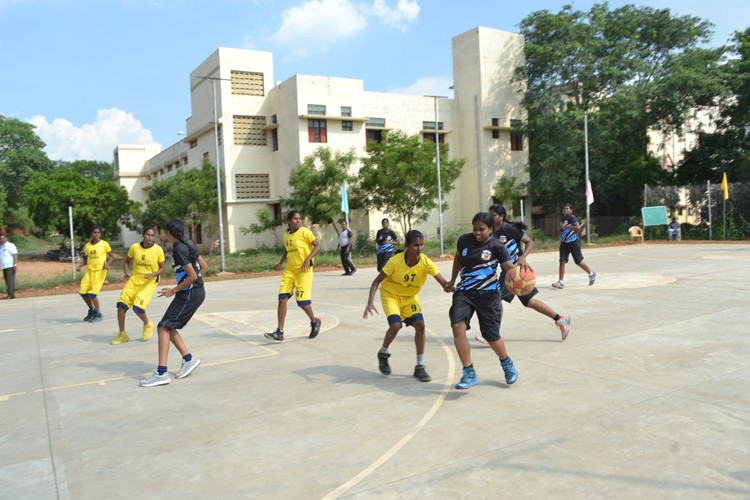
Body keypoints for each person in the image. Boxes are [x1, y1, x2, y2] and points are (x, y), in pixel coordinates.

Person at [470, 204, 571, 345]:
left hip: (515, 272)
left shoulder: (510, 229)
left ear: (501, 216)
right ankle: (560, 320)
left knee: (496, 299)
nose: (490, 217)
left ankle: (492, 335)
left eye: (493, 215)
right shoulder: (491, 231)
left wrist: (522, 257)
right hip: (507, 272)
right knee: (529, 302)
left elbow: (530, 242)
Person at [363, 229, 451, 382]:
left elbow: (444, 283)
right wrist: (370, 302)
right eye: (416, 245)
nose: (420, 248)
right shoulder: (395, 261)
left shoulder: (425, 262)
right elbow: (376, 281)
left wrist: (455, 289)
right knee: (396, 325)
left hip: (410, 298)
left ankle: (419, 366)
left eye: (422, 245)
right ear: (407, 246)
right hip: (391, 296)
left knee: (420, 325)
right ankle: (383, 353)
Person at [446, 212, 518, 389]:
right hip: (465, 292)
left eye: (482, 229)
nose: (477, 233)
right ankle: (469, 372)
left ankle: (506, 362)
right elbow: (457, 258)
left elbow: (509, 267)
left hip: (489, 295)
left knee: (491, 336)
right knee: (457, 326)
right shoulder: (464, 240)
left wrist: (521, 273)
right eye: (475, 229)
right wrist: (452, 279)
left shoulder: (497, 246)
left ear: (491, 229)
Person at [140, 219, 206, 387]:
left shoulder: (179, 249)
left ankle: (161, 373)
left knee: (163, 327)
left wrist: (174, 290)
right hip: (191, 292)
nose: (164, 235)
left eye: (165, 232)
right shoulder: (188, 243)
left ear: (170, 233)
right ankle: (188, 359)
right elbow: (203, 267)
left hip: (189, 294)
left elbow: (193, 276)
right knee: (169, 326)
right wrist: (192, 285)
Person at [265, 210, 322, 341]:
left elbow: (317, 246)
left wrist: (308, 259)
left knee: (302, 302)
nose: (298, 221)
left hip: (304, 270)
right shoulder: (286, 235)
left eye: (299, 218)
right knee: (282, 299)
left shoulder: (305, 232)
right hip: (290, 270)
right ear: (289, 221)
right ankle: (279, 331)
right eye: (295, 219)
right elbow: (287, 249)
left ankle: (314, 321)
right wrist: (280, 263)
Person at [111, 227, 166, 345]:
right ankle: (122, 334)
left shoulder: (158, 250)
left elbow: (162, 268)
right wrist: (126, 273)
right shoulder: (135, 247)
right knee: (121, 306)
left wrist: (152, 274)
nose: (150, 237)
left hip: (150, 281)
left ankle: (147, 324)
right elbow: (127, 261)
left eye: (152, 235)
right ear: (143, 235)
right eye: (147, 235)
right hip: (135, 279)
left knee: (138, 307)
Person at [552, 204, 595, 289]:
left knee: (578, 261)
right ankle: (561, 282)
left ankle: (591, 273)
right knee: (562, 261)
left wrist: (566, 226)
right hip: (564, 243)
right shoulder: (562, 219)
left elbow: (577, 228)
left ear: (571, 210)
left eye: (567, 209)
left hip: (573, 242)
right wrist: (560, 229)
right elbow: (562, 229)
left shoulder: (572, 218)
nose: (565, 210)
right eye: (564, 209)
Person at [77, 226, 113, 322]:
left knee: (92, 294)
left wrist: (107, 264)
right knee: (83, 292)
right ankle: (92, 310)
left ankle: (98, 313)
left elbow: (111, 256)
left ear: (100, 234)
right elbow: (86, 260)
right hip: (89, 272)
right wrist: (80, 266)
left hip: (100, 271)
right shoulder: (88, 246)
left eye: (98, 232)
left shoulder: (104, 244)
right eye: (94, 232)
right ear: (91, 234)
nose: (96, 234)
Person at [1, 233, 18, 299]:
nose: (1, 240)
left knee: (10, 280)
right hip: (4, 266)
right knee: (7, 281)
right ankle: (9, 294)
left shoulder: (10, 245)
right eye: (1, 239)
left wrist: (15, 264)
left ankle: (11, 295)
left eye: (3, 238)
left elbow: (15, 254)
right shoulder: (2, 246)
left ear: (6, 239)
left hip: (10, 266)